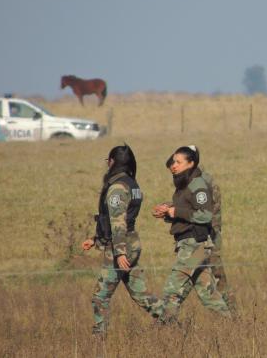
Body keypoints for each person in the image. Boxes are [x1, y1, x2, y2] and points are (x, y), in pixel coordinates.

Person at [81, 144, 163, 336]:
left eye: (107, 161)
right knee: (141, 294)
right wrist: (96, 239)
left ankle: (98, 339)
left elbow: (118, 222)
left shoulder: (117, 188)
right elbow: (118, 220)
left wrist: (119, 252)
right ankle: (173, 322)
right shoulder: (132, 184)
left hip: (121, 247)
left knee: (100, 297)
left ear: (112, 162)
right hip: (130, 242)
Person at [154, 145, 231, 324]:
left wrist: (176, 212)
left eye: (178, 162)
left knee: (172, 291)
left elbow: (205, 215)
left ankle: (162, 331)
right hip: (188, 243)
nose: (173, 165)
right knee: (208, 293)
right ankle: (232, 327)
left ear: (191, 163)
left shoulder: (197, 184)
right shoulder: (183, 184)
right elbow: (186, 211)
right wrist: (167, 212)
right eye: (173, 161)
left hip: (194, 243)